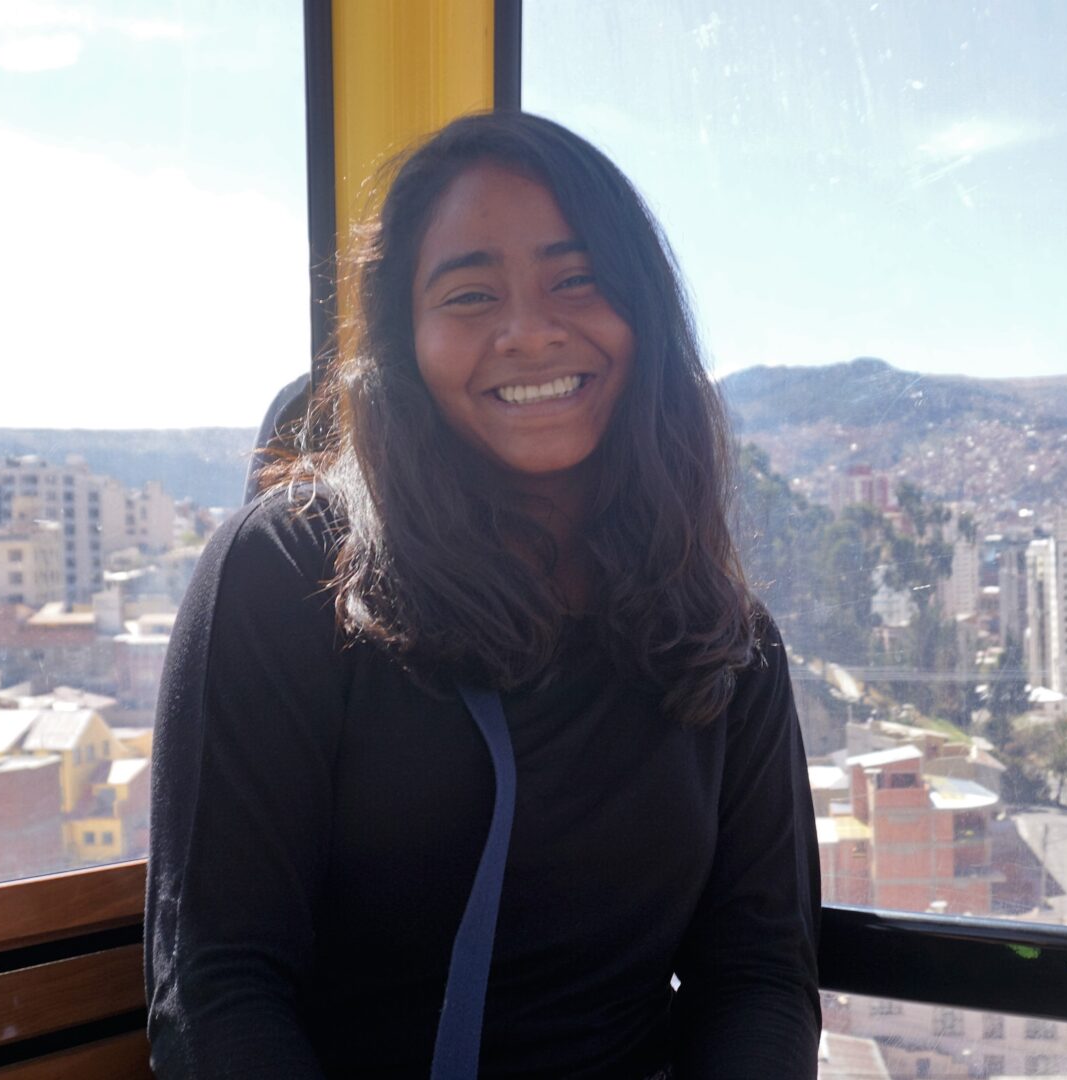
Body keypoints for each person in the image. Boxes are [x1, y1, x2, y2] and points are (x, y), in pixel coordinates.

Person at [145, 111, 820, 1079]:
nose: (528, 332)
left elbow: (757, 975)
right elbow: (216, 985)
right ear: (405, 344)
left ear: (644, 314)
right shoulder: (290, 574)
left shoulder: (721, 634)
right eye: (468, 295)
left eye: (576, 279)